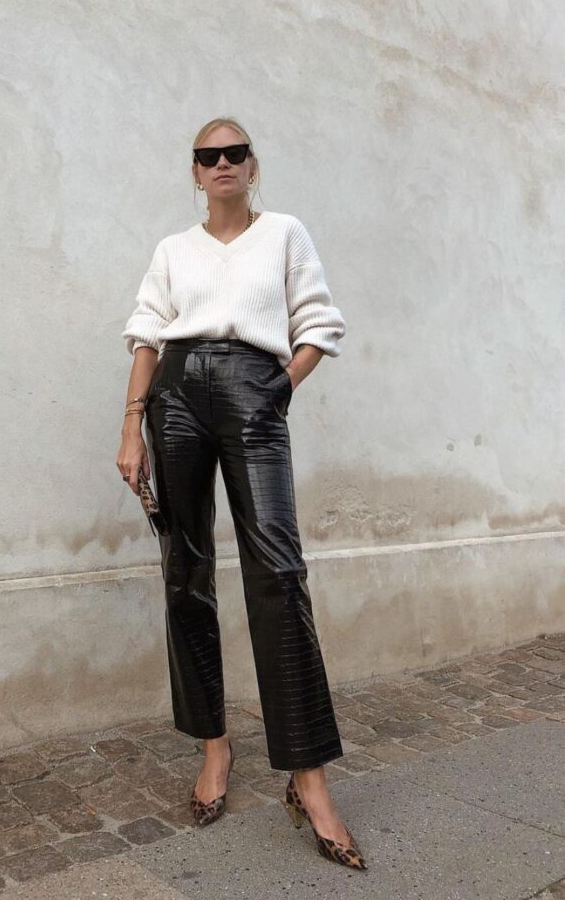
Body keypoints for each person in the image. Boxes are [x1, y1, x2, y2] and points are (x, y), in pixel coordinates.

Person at [116, 117, 367, 870]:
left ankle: (308, 778)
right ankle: (214, 750)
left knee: (278, 573)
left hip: (253, 391)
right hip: (177, 399)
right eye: (206, 156)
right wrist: (131, 427)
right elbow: (147, 334)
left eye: (234, 152)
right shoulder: (172, 250)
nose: (221, 163)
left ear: (253, 165)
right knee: (185, 572)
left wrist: (274, 390)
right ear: (194, 173)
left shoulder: (284, 232)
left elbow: (320, 323)